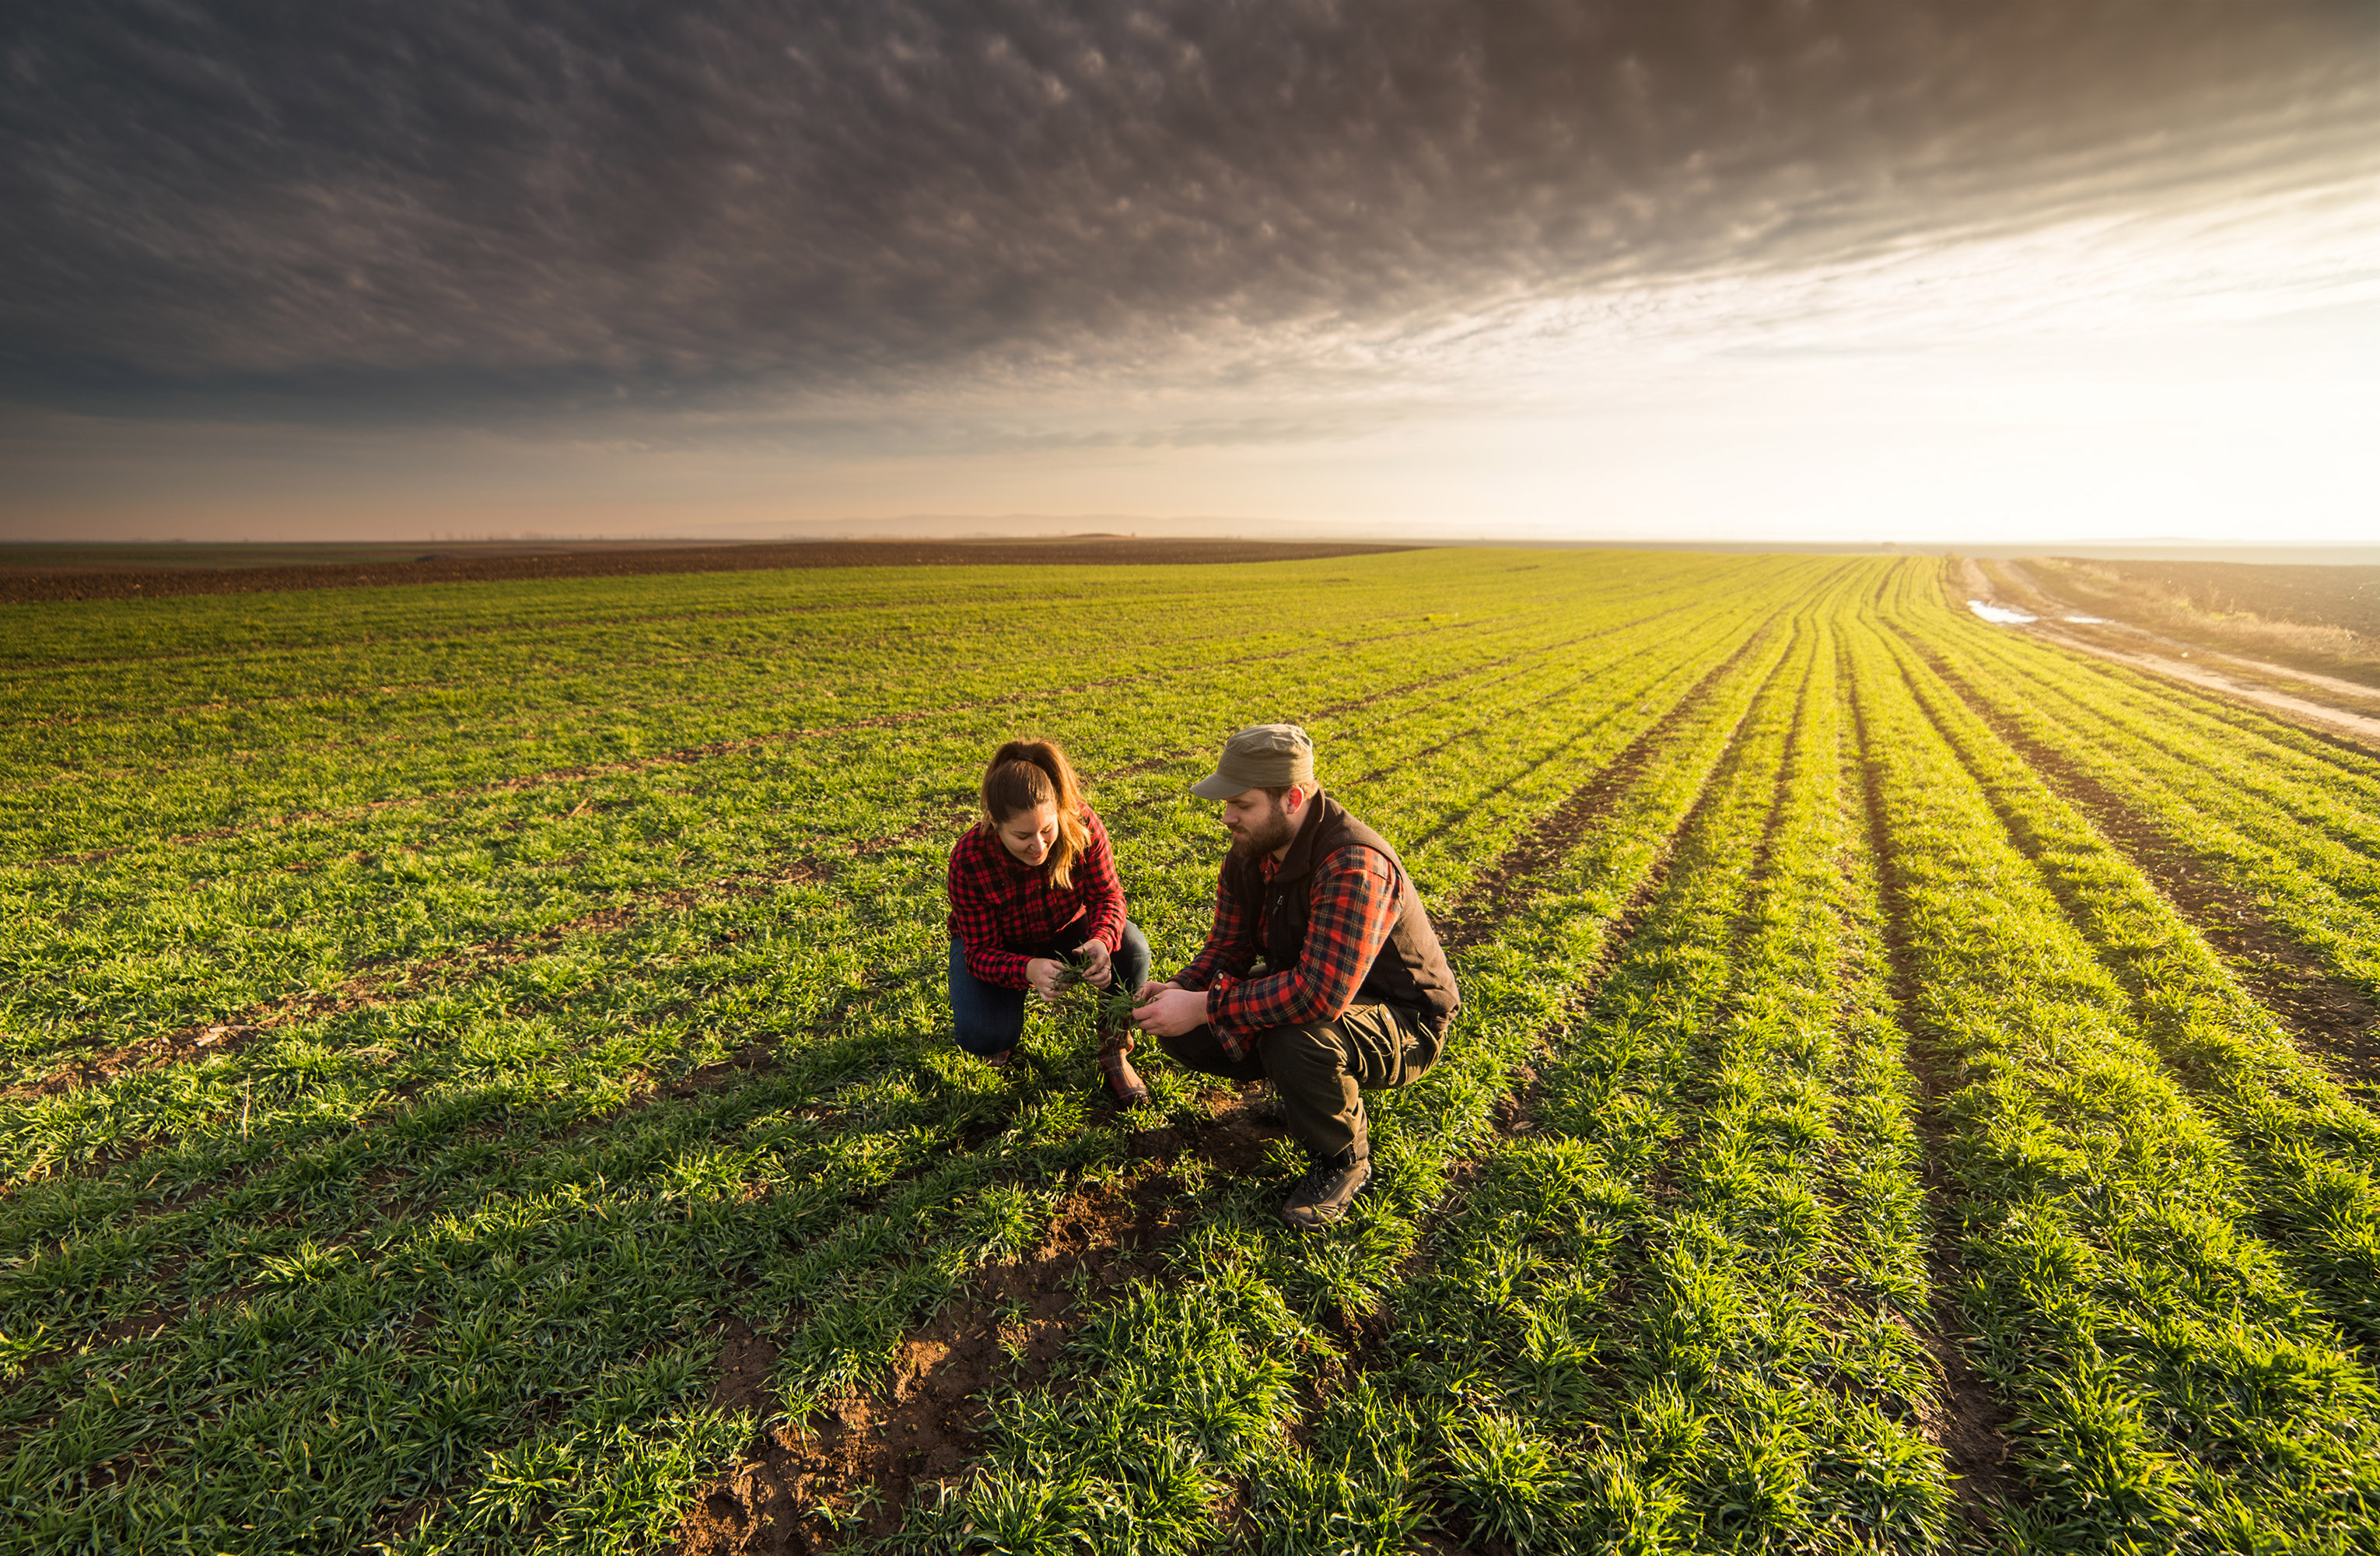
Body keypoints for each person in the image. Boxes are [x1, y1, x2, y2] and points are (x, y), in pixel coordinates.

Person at [1132, 724, 1459, 1229]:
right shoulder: (1249, 856)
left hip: (1404, 1019)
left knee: (1294, 1037)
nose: (1227, 818)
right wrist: (1180, 990)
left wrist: (1203, 1006)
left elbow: (1318, 995)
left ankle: (1344, 1160)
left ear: (1294, 798)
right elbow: (1227, 950)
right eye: (1226, 804)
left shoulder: (1354, 865)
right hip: (1322, 990)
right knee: (1194, 1032)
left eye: (1242, 804)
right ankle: (1304, 1096)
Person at [947, 738, 1153, 1104]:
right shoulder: (969, 857)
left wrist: (1102, 942)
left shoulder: (1082, 824)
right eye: (1023, 836)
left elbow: (1108, 896)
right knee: (983, 1036)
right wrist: (1028, 969)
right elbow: (978, 952)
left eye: (1047, 830)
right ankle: (1000, 1036)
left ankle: (1114, 1045)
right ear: (995, 823)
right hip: (1002, 945)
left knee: (1132, 951)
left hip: (1066, 928)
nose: (1039, 847)